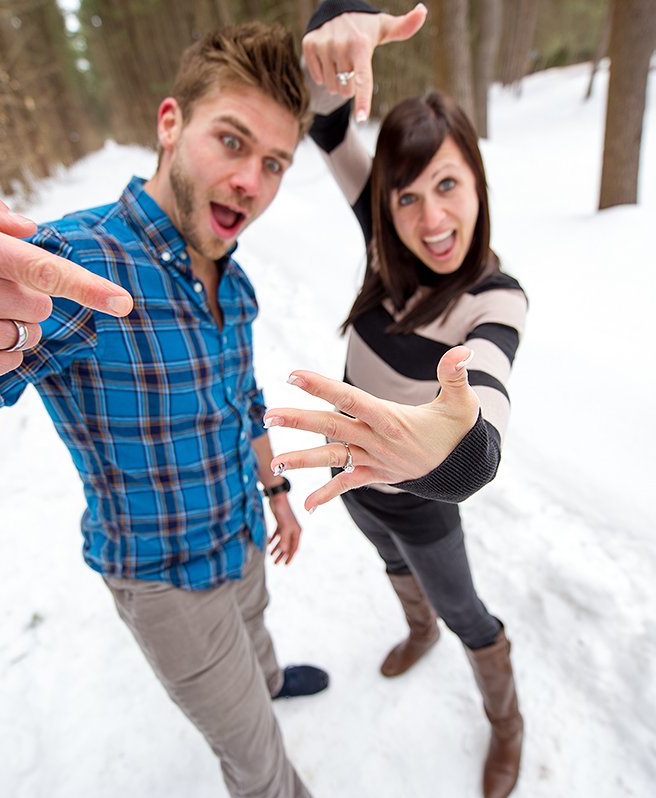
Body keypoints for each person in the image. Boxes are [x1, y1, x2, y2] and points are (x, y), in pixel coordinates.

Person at [0, 22, 327, 798]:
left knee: (257, 637)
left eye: (274, 163)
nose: (252, 179)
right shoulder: (76, 267)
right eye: (232, 141)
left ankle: (267, 677)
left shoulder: (234, 278)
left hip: (242, 533)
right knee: (258, 765)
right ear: (170, 124)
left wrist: (276, 495)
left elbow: (241, 398)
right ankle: (257, 732)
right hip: (170, 584)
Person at [260, 4, 529, 797]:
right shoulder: (387, 237)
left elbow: (484, 420)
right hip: (355, 479)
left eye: (448, 185)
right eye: (406, 196)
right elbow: (327, 120)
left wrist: (452, 450)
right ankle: (416, 631)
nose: (430, 218)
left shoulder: (495, 300)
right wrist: (336, 22)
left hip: (423, 496)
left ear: (479, 180)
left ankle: (505, 719)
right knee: (387, 561)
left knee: (466, 611)